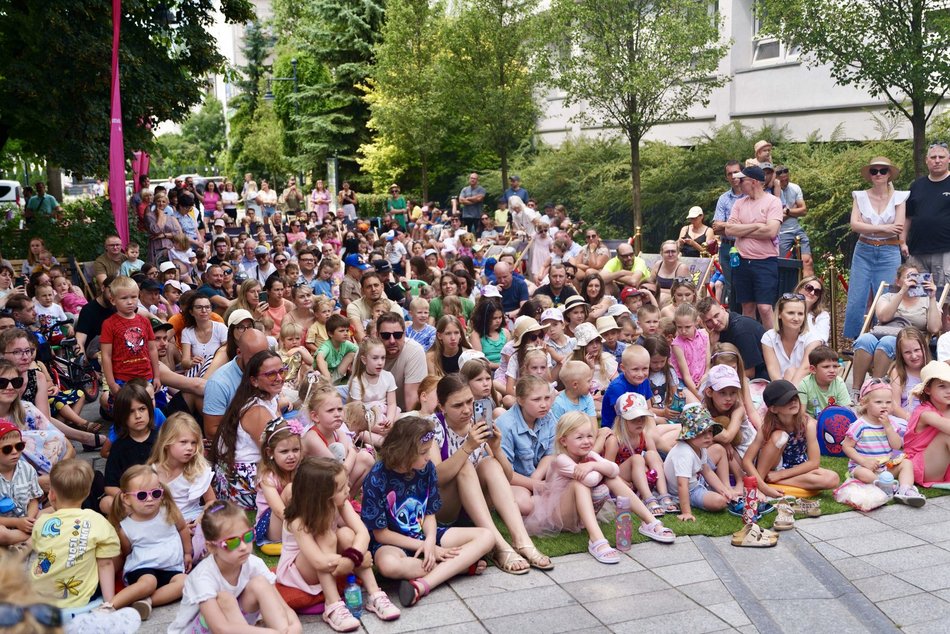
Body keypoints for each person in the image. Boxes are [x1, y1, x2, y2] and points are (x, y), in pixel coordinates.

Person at [360, 416, 495, 607]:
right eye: (423, 452)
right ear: (404, 452)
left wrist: (430, 541)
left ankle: (423, 585)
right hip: (393, 542)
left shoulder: (427, 468)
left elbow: (429, 513)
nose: (428, 457)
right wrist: (423, 546)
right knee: (388, 565)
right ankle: (460, 567)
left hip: (425, 533)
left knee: (486, 536)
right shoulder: (377, 477)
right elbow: (381, 534)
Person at [430, 375, 552, 574]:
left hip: (475, 505)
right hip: (445, 508)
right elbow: (434, 479)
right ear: (442, 407)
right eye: (457, 405)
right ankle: (499, 547)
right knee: (465, 466)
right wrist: (467, 448)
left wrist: (496, 448)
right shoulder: (432, 427)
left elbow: (507, 477)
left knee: (490, 463)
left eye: (470, 401)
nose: (467, 409)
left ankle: (522, 541)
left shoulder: (478, 423)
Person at [525, 411, 674, 563]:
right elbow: (589, 479)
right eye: (579, 437)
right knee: (580, 482)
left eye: (590, 436)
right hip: (562, 517)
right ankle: (596, 540)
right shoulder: (561, 460)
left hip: (581, 513)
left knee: (612, 478)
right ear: (563, 441)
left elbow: (614, 469)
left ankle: (650, 522)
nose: (586, 441)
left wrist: (593, 464)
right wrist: (599, 468)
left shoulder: (590, 456)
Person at [277, 457, 400, 631]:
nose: (348, 490)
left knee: (346, 534)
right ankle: (332, 604)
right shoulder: (298, 521)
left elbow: (363, 533)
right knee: (327, 536)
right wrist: (354, 561)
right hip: (300, 571)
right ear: (322, 496)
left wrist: (353, 557)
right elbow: (318, 561)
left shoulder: (340, 504)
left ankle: (375, 595)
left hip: (331, 560)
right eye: (342, 488)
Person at [167, 499, 301, 634]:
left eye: (248, 537)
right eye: (232, 543)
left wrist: (294, 626)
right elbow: (220, 628)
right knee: (225, 599)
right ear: (212, 547)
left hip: (236, 627)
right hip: (197, 630)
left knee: (260, 583)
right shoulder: (203, 576)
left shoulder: (254, 563)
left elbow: (283, 607)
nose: (243, 547)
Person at [31, 459, 121, 609]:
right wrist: (109, 602)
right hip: (81, 598)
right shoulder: (98, 521)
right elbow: (105, 564)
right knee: (113, 554)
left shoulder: (42, 522)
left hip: (39, 598)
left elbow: (40, 549)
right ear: (87, 494)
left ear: (52, 495)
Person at [104, 465, 189, 619]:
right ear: (126, 498)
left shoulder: (169, 512)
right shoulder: (126, 527)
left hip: (171, 566)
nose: (150, 499)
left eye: (155, 493)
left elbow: (183, 528)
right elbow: (126, 552)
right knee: (149, 582)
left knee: (185, 582)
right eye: (142, 495)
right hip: (143, 567)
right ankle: (110, 606)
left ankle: (147, 601)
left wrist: (188, 552)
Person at [210, 350, 285, 510]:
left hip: (257, 467)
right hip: (242, 480)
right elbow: (275, 454)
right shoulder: (257, 411)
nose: (279, 378)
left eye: (281, 371)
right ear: (254, 381)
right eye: (271, 374)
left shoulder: (271, 398)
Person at [741, 380, 841, 498]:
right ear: (773, 409)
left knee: (833, 478)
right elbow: (747, 460)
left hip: (794, 469)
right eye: (786, 400)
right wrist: (763, 488)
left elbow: (814, 462)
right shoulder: (767, 426)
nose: (793, 402)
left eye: (795, 397)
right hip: (773, 466)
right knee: (780, 436)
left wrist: (780, 475)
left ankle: (772, 481)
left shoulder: (807, 424)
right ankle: (762, 483)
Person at [851, 263, 940, 393]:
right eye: (908, 277)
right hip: (881, 334)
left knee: (888, 342)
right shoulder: (887, 297)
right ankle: (856, 391)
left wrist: (932, 297)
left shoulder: (927, 301)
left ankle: (876, 391)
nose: (912, 280)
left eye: (916, 277)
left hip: (908, 341)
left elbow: (935, 328)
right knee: (864, 339)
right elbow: (884, 318)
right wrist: (903, 291)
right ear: (898, 281)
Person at [844, 156, 908, 339]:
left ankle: (883, 338)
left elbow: (899, 226)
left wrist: (869, 227)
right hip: (864, 249)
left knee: (887, 296)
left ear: (889, 174)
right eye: (874, 171)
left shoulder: (899, 197)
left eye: (883, 171)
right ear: (870, 175)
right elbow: (855, 225)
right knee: (857, 297)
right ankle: (857, 341)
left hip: (889, 251)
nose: (878, 174)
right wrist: (884, 227)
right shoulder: (860, 196)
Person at [843, 380, 925, 506]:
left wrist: (888, 428)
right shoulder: (859, 425)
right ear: (864, 403)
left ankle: (905, 489)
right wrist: (863, 461)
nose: (884, 406)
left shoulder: (891, 424)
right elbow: (847, 447)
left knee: (907, 463)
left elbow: (896, 446)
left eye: (888, 402)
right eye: (878, 402)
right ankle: (885, 486)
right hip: (865, 467)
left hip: (886, 467)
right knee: (862, 473)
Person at [722, 165, 783, 329]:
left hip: (765, 262)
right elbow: (729, 230)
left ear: (754, 182)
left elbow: (771, 231)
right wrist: (757, 225)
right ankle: (749, 343)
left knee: (764, 308)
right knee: (747, 307)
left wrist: (742, 229)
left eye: (742, 180)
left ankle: (772, 345)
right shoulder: (739, 203)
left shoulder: (773, 202)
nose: (738, 183)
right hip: (741, 261)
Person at [664, 404, 738, 521]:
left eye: (710, 431)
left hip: (696, 480)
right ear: (690, 434)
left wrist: (724, 490)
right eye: (702, 432)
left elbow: (707, 471)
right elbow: (682, 484)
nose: (709, 436)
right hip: (688, 490)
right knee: (720, 502)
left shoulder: (699, 446)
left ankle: (728, 488)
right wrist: (686, 512)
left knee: (719, 449)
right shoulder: (684, 453)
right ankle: (691, 502)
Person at [100, 277, 161, 404]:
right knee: (125, 411)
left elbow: (152, 349)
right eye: (124, 298)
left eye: (134, 297)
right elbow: (106, 355)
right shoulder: (109, 324)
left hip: (146, 376)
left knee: (149, 407)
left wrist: (157, 376)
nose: (130, 302)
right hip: (122, 378)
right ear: (113, 300)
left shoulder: (144, 321)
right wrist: (111, 383)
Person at [147, 413, 214, 525]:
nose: (190, 448)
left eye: (194, 443)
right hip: (165, 521)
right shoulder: (152, 472)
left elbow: (211, 500)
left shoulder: (197, 469)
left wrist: (203, 516)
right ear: (166, 442)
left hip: (193, 517)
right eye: (183, 442)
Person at [253, 418, 301, 549]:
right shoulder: (267, 477)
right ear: (270, 452)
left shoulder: (300, 469)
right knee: (291, 489)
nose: (291, 456)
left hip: (295, 519)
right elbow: (279, 511)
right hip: (272, 526)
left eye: (296, 450)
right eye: (284, 451)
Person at [906, 142, 950, 284]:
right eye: (933, 157)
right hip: (917, 252)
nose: (937, 160)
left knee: (944, 298)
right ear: (926, 161)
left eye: (941, 157)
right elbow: (908, 216)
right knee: (918, 296)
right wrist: (902, 242)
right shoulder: (916, 185)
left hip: (945, 251)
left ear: (948, 159)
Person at [697, 297, 768, 379]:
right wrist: (712, 345)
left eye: (716, 315)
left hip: (761, 379)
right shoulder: (718, 332)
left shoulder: (741, 331)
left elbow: (749, 373)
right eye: (708, 321)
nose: (715, 322)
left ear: (723, 309)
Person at [761, 293, 820, 385]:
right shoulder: (768, 337)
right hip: (781, 388)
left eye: (800, 314)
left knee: (792, 371)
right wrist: (783, 394)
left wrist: (790, 395)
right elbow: (773, 372)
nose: (796, 318)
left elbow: (805, 369)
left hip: (807, 386)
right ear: (779, 314)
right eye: (790, 313)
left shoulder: (813, 339)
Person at [0, 420, 41, 547]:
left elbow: (34, 499)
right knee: (1, 534)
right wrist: (17, 523)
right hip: (5, 523)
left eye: (19, 446)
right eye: (7, 449)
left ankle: (28, 536)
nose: (14, 452)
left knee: (53, 510)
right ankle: (34, 536)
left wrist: (29, 518)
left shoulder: (27, 469)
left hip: (27, 517)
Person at [380, 312, 428, 412]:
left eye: (397, 335)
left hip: (401, 414)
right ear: (377, 335)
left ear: (405, 334)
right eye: (385, 335)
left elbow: (412, 400)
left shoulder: (414, 351)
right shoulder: (365, 351)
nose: (392, 340)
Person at [775, 165, 813, 276]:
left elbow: (804, 211)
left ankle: (809, 290)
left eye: (786, 179)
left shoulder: (795, 188)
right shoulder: (772, 192)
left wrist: (787, 211)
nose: (784, 181)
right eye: (782, 180)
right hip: (782, 233)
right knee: (786, 266)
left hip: (797, 229)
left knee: (807, 261)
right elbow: (777, 218)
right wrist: (794, 210)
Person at [798, 346, 852, 418]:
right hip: (813, 422)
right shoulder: (805, 384)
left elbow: (846, 410)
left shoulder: (839, 382)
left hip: (834, 420)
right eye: (826, 367)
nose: (832, 370)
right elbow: (801, 414)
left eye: (835, 366)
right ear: (813, 369)